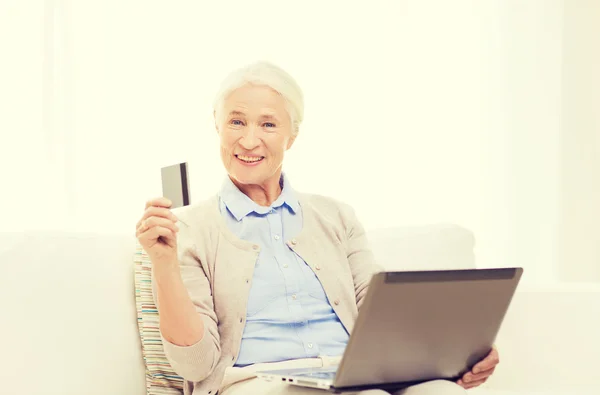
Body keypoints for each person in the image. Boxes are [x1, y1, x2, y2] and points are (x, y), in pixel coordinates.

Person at [136, 61, 499, 395]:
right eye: (236, 122)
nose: (248, 140)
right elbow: (194, 365)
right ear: (217, 126)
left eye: (268, 124)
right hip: (257, 383)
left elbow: (379, 314)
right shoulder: (189, 228)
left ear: (291, 136)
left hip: (351, 377)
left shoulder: (337, 216)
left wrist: (456, 353)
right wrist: (164, 267)